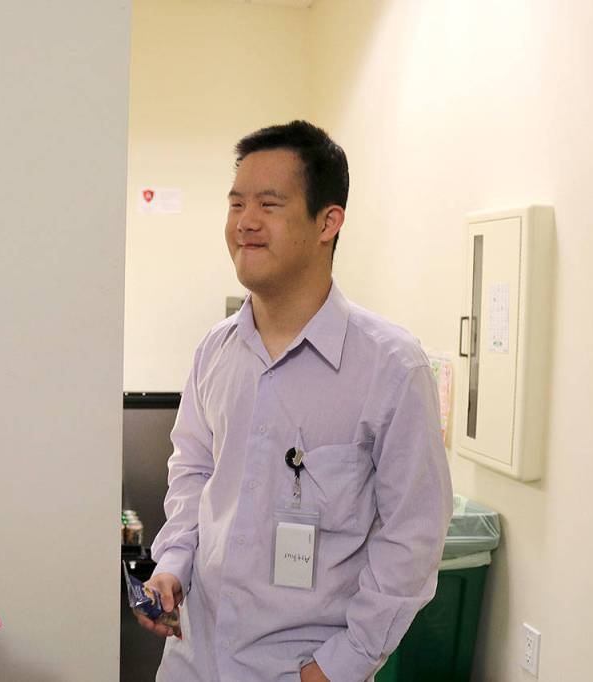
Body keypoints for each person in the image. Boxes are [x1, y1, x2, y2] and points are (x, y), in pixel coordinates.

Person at [136, 120, 452, 682]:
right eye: (236, 204)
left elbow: (414, 535)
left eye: (268, 204)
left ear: (328, 221)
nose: (245, 223)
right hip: (193, 657)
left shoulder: (391, 366)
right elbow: (193, 473)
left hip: (300, 668)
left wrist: (343, 664)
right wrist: (173, 566)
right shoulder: (216, 350)